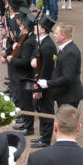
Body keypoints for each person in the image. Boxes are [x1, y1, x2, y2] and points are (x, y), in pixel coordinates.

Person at [36, 23, 83, 108]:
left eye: (56, 33)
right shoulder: (65, 49)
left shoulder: (70, 52)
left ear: (63, 36)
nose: (54, 35)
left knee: (67, 120)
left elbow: (67, 78)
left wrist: (47, 83)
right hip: (64, 94)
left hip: (69, 96)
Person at [30, 16, 57, 148]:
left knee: (46, 112)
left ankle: (46, 139)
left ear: (43, 30)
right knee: (40, 109)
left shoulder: (48, 46)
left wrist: (38, 90)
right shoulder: (42, 42)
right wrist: (33, 61)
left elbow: (45, 71)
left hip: (45, 86)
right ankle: (42, 135)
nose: (35, 27)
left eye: (38, 26)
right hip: (39, 82)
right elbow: (35, 58)